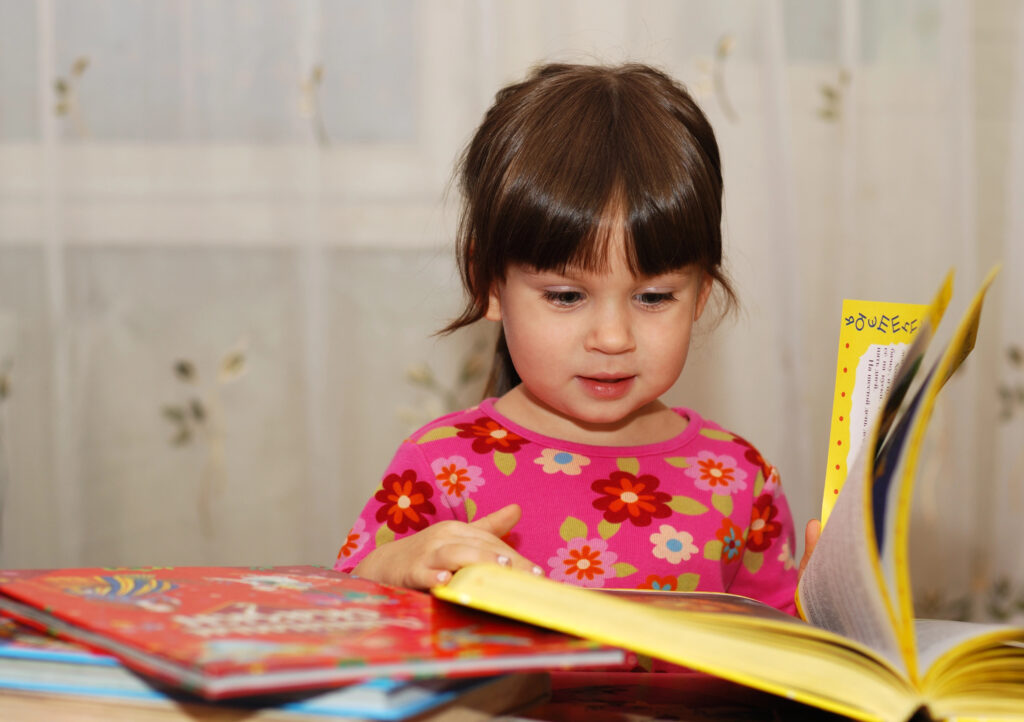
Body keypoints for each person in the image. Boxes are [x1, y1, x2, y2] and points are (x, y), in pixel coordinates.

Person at [334, 62, 815, 615]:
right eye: (565, 296)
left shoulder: (739, 478)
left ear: (702, 293)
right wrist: (398, 567)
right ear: (488, 283)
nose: (612, 338)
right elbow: (341, 613)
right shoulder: (441, 464)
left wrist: (820, 614)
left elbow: (777, 656)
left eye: (653, 298)